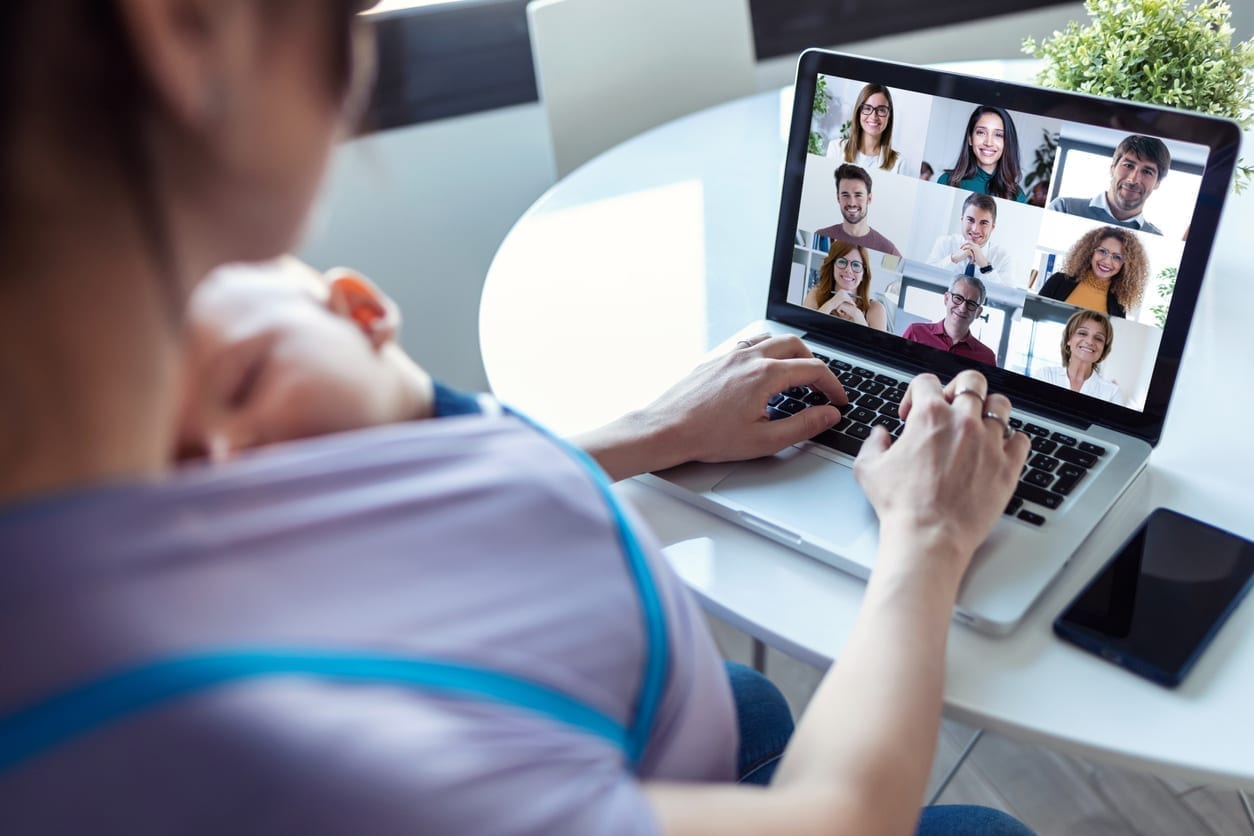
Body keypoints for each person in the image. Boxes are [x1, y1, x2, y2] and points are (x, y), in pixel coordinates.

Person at [0, 3, 1035, 834]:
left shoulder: (104, 452)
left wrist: (655, 427)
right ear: (188, 23)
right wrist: (930, 535)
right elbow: (838, 815)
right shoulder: (310, 775)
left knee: (749, 705)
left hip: (643, 714)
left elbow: (311, 530)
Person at [1048, 135, 1170, 235]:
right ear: (1112, 168)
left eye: (1147, 172)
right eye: (1128, 165)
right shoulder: (1064, 209)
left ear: (1157, 183)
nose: (1133, 179)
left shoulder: (1156, 236)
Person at [1038, 226, 1148, 319]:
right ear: (1090, 252)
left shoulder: (1118, 308)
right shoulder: (1058, 281)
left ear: (1126, 265)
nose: (1106, 261)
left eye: (1117, 257)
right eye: (1102, 251)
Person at [937, 106, 1028, 203]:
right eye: (981, 132)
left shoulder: (1017, 196)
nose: (989, 143)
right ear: (970, 139)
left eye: (998, 135)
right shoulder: (947, 181)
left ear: (1007, 143)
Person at [902, 276, 998, 366]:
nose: (962, 308)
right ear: (946, 299)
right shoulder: (915, 332)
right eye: (958, 298)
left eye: (971, 304)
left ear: (978, 312)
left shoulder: (987, 358)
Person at [1032, 310, 1122, 403]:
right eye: (1082, 333)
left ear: (1104, 349)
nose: (1090, 341)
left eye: (1098, 338)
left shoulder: (1111, 392)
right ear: (1068, 339)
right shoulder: (1045, 375)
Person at [926, 193, 1016, 286]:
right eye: (970, 220)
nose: (975, 229)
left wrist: (985, 267)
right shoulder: (944, 243)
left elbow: (1007, 298)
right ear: (962, 219)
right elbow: (925, 278)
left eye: (984, 223)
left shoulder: (1003, 257)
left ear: (992, 227)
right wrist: (953, 259)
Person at [814, 163, 902, 257]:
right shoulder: (820, 236)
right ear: (838, 198)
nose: (852, 203)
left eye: (858, 195)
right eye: (845, 195)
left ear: (869, 198)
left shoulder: (887, 250)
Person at [801, 241, 888, 330]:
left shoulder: (876, 309)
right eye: (842, 262)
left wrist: (856, 314)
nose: (848, 270)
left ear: (863, 274)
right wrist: (832, 303)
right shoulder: (816, 295)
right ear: (832, 266)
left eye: (856, 265)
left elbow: (873, 344)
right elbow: (802, 331)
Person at [831, 82, 905, 175]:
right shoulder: (835, 148)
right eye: (867, 108)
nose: (873, 116)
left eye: (881, 110)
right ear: (859, 112)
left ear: (889, 116)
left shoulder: (899, 163)